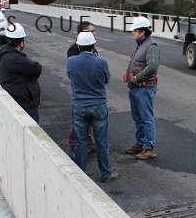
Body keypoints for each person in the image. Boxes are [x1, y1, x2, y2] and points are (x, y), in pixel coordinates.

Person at [67, 30, 118, 182]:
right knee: (101, 141)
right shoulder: (101, 62)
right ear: (93, 45)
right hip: (98, 105)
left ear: (78, 46)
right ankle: (106, 173)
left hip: (79, 105)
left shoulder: (71, 61)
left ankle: (81, 173)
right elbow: (106, 80)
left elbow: (70, 76)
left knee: (81, 141)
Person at [123, 16, 160, 160]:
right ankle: (140, 144)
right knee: (138, 117)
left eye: (135, 31)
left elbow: (152, 66)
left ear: (142, 32)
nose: (133, 33)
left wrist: (137, 78)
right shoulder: (141, 45)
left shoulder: (151, 46)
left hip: (144, 88)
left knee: (146, 118)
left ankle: (149, 147)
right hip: (136, 88)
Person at [0, 23, 42, 122]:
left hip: (18, 99)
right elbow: (37, 69)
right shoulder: (15, 58)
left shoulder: (6, 54)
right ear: (21, 43)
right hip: (24, 103)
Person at [67, 21, 98, 154]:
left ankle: (89, 143)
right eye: (92, 31)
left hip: (92, 91)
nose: (95, 33)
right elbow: (72, 72)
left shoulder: (93, 48)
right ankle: (75, 144)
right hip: (81, 91)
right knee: (80, 120)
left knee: (89, 120)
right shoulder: (74, 49)